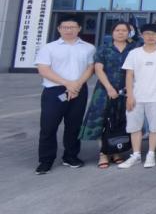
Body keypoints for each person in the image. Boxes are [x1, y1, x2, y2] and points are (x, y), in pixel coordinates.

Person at [35, 15, 95, 174]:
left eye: (72, 27)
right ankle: (46, 160)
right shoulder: (49, 48)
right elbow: (43, 70)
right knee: (48, 126)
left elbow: (90, 68)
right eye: (65, 27)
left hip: (79, 90)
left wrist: (77, 85)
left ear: (79, 28)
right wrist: (68, 84)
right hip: (55, 91)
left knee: (74, 126)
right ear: (59, 29)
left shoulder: (88, 48)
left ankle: (70, 156)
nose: (69, 30)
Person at [79, 21, 138, 169]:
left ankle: (116, 150)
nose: (121, 33)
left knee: (120, 121)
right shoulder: (104, 48)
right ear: (112, 32)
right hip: (105, 91)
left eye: (124, 30)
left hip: (127, 90)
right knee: (103, 122)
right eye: (117, 30)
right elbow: (98, 69)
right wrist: (109, 88)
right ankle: (103, 153)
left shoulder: (134, 48)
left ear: (129, 33)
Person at [118, 23, 156, 169]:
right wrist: (130, 96)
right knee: (134, 126)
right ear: (142, 35)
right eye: (147, 34)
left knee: (154, 127)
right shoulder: (134, 53)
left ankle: (151, 153)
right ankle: (136, 154)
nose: (151, 37)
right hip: (136, 95)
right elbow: (129, 75)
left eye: (154, 34)